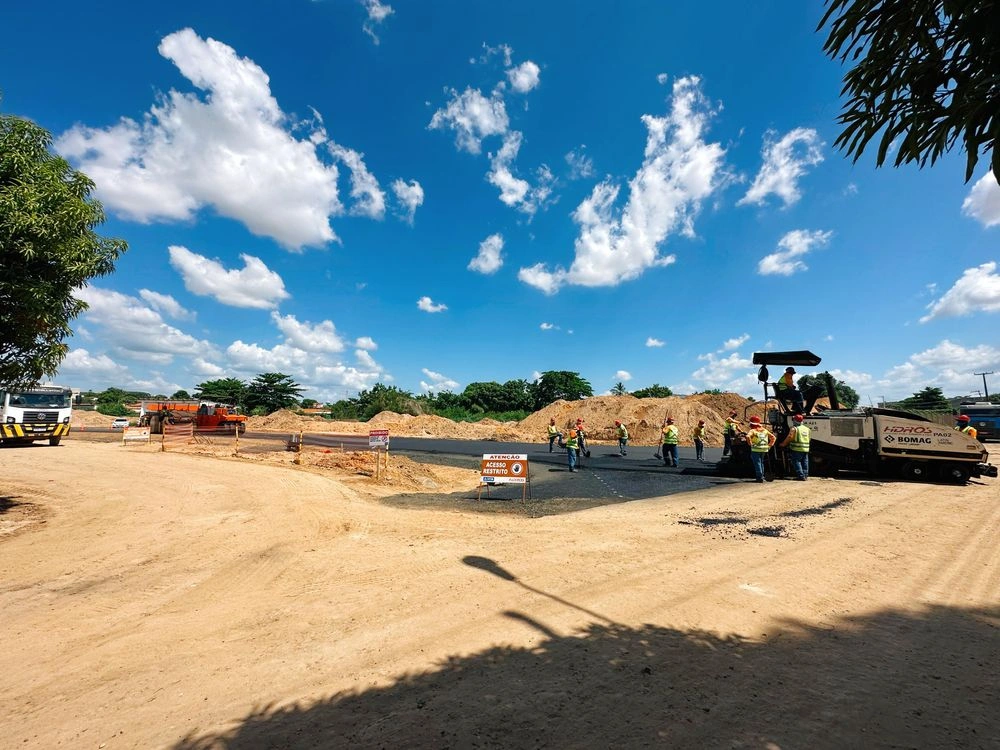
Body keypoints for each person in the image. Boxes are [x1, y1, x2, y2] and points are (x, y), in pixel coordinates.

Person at [779, 414, 811, 480]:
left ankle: (800, 476)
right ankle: (805, 475)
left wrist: (783, 444)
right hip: (806, 449)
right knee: (805, 462)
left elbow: (790, 437)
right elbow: (809, 438)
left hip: (797, 448)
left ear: (795, 420)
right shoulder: (807, 429)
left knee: (796, 461)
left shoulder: (794, 429)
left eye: (793, 419)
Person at [745, 416, 776, 482]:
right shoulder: (765, 430)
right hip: (764, 449)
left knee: (757, 463)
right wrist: (770, 445)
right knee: (761, 462)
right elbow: (773, 437)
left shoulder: (753, 431)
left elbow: (747, 436)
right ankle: (762, 476)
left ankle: (759, 477)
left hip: (756, 449)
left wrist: (750, 443)